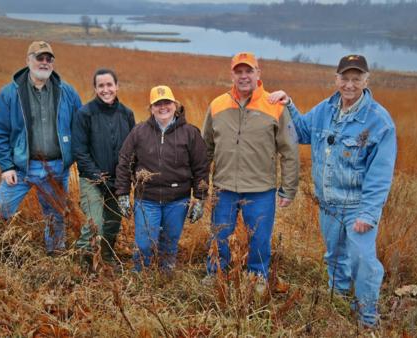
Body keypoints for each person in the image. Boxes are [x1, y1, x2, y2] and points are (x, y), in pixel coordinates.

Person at [269, 54, 397, 327]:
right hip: (328, 204)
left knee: (363, 260)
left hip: (356, 207)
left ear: (366, 80)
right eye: (345, 78)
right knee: (335, 256)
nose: (349, 84)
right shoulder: (326, 109)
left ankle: (366, 317)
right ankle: (338, 300)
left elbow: (380, 174)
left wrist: (368, 213)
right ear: (336, 78)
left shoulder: (379, 121)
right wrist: (288, 104)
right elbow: (301, 132)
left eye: (356, 79)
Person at [201, 52, 299, 284]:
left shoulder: (274, 105)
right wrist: (202, 183)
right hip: (224, 186)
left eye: (249, 71)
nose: (244, 76)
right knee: (219, 234)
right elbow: (206, 148)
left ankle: (257, 277)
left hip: (261, 188)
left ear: (258, 74)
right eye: (239, 71)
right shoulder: (217, 105)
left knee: (260, 238)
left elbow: (289, 150)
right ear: (232, 75)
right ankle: (216, 274)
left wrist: (289, 188)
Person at [0, 41, 82, 256]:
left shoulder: (66, 92)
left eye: (49, 59)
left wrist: (74, 156)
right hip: (20, 168)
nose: (45, 63)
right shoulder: (10, 93)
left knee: (56, 214)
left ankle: (55, 255)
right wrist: (6, 166)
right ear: (28, 60)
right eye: (40, 58)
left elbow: (81, 126)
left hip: (55, 168)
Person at [115, 85, 209, 272]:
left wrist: (200, 198)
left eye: (167, 102)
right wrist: (123, 193)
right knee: (144, 244)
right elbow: (125, 162)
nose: (162, 107)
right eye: (157, 104)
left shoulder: (190, 133)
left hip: (177, 200)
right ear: (151, 108)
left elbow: (201, 167)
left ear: (175, 105)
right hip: (147, 200)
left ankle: (165, 276)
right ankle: (141, 276)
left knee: (169, 244)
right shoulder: (139, 132)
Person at [72, 68, 135, 266]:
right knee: (95, 224)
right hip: (92, 180)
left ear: (117, 86)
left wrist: (127, 178)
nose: (105, 89)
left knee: (113, 224)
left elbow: (133, 149)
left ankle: (106, 259)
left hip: (119, 181)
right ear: (95, 88)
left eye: (109, 85)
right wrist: (98, 176)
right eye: (101, 86)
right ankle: (82, 263)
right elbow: (79, 151)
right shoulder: (85, 114)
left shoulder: (127, 114)